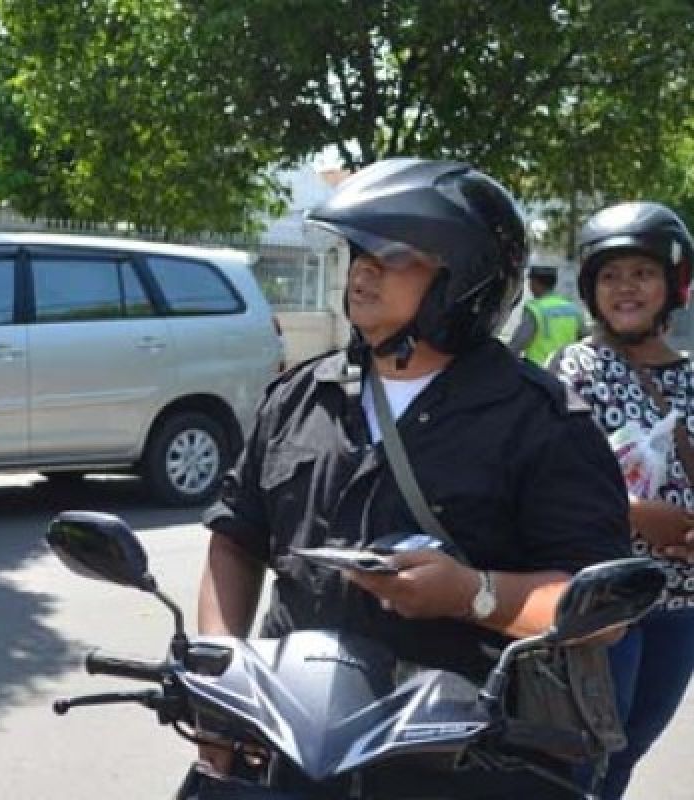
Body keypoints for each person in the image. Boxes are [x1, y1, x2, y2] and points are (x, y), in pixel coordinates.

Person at [196, 158, 631, 798]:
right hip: (288, 750)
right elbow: (236, 538)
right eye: (356, 251)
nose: (362, 269)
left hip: (460, 763)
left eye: (393, 253)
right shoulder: (299, 396)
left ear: (464, 279)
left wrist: (472, 594)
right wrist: (221, 680)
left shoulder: (544, 422)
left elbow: (601, 610)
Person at [549, 201, 694, 800]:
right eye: (610, 275)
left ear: (673, 284)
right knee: (586, 752)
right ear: (590, 289)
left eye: (642, 272)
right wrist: (639, 515)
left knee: (635, 743)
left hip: (682, 595)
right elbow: (554, 477)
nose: (626, 287)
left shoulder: (690, 373)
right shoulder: (576, 369)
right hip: (605, 594)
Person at [508, 264, 587, 365]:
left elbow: (517, 345)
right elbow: (585, 341)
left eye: (530, 282)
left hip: (537, 371)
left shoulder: (535, 309)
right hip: (566, 370)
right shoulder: (572, 308)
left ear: (535, 283)